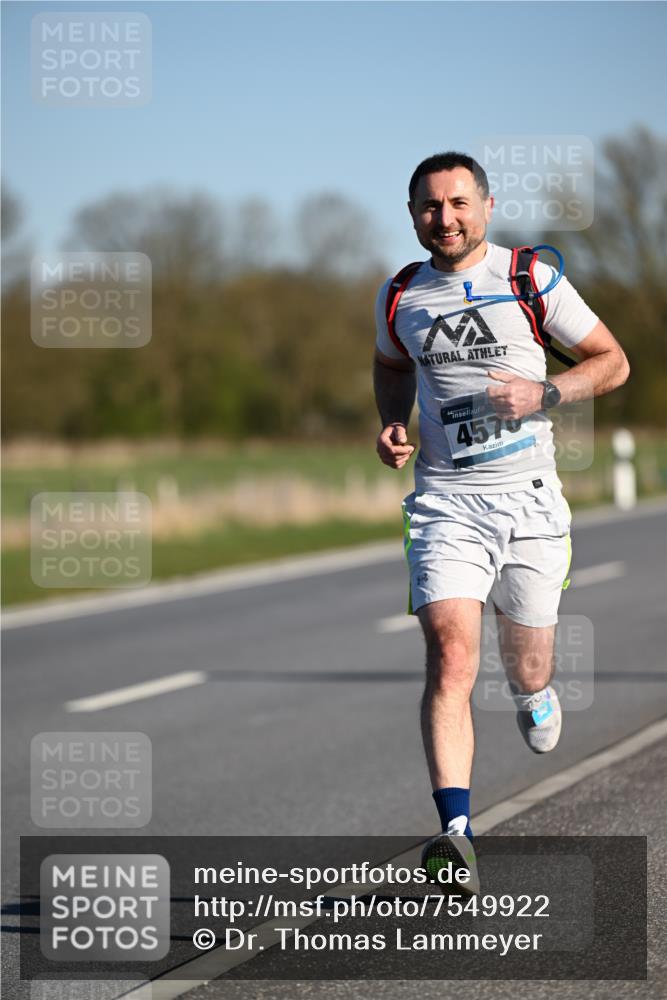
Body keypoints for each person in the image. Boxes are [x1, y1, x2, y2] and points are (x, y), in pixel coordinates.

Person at [373, 151, 630, 893]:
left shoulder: (529, 279)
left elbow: (611, 361)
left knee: (526, 664)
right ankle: (455, 834)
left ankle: (531, 690)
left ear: (485, 206)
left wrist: (544, 394)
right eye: (428, 206)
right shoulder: (400, 296)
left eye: (457, 203)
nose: (443, 218)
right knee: (452, 657)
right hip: (445, 502)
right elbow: (391, 367)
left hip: (528, 503)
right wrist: (392, 424)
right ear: (412, 213)